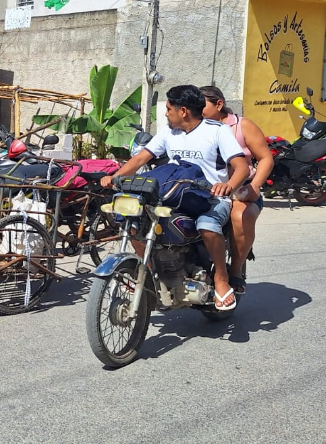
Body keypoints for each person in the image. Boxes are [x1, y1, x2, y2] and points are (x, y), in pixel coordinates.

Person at [100, 84, 250, 311]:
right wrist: (114, 177)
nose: (166, 113)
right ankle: (150, 273)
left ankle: (221, 278)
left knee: (208, 226)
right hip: (173, 195)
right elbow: (141, 159)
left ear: (183, 111)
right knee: (134, 223)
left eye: (169, 109)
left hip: (210, 198)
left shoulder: (217, 131)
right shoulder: (169, 133)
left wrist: (227, 186)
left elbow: (241, 168)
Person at [200, 85, 274, 297]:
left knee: (240, 216)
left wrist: (254, 186)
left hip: (241, 190)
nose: (197, 110)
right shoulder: (197, 127)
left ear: (219, 105)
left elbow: (266, 158)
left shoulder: (243, 126)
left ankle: (235, 271)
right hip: (205, 190)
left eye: (201, 105)